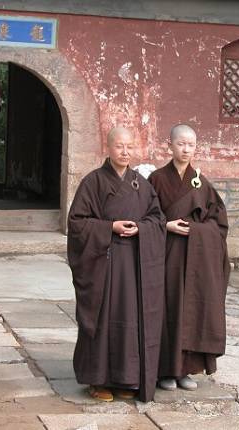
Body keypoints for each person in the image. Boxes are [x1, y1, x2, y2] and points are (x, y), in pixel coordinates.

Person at [67, 127, 166, 402]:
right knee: (102, 319)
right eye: (119, 147)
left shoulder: (141, 184)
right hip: (104, 262)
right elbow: (77, 223)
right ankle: (97, 380)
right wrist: (110, 226)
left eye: (129, 147)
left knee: (129, 319)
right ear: (108, 148)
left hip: (133, 263)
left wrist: (142, 230)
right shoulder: (93, 182)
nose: (125, 152)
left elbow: (157, 219)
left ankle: (126, 378)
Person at [148, 124, 230, 391]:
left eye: (191, 145)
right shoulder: (157, 179)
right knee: (168, 309)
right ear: (169, 145)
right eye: (181, 143)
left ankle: (186, 370)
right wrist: (165, 226)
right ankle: (165, 371)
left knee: (191, 310)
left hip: (194, 259)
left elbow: (218, 224)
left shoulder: (201, 183)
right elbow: (146, 216)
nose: (186, 149)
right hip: (167, 255)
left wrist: (195, 230)